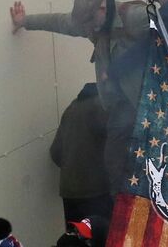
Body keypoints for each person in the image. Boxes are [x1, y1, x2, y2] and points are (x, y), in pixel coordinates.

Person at [50, 82, 110, 233]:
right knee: (101, 237)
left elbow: (55, 152)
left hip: (69, 191)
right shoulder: (101, 108)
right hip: (96, 192)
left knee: (76, 239)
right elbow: (114, 149)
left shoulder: (71, 109)